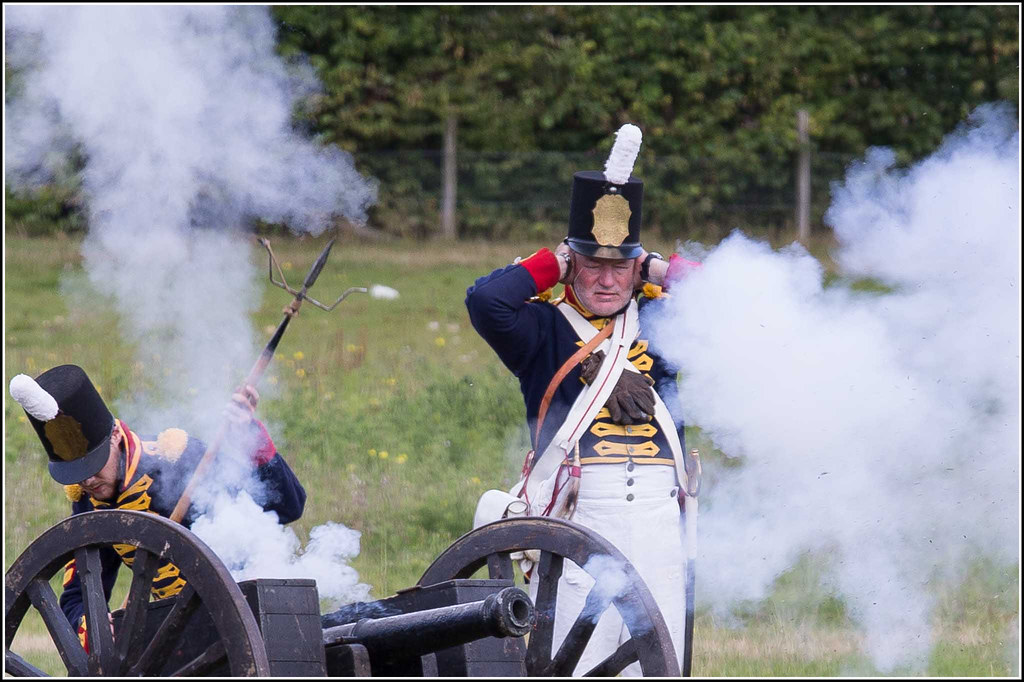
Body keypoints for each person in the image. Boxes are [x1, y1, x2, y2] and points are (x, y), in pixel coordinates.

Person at [465, 124, 699, 675]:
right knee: (579, 659)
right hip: (582, 510)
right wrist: (556, 262)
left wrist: (657, 268)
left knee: (658, 661)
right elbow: (486, 301)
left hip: (662, 512)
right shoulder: (543, 329)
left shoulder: (664, 321)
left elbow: (734, 299)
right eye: (594, 264)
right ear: (573, 263)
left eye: (621, 267)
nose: (608, 280)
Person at [9, 363, 306, 649]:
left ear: (115, 435)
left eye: (94, 463)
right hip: (171, 633)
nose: (87, 479)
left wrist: (250, 435)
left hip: (244, 613)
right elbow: (79, 595)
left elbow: (285, 508)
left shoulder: (179, 459)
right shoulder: (87, 499)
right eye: (76, 472)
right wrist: (98, 628)